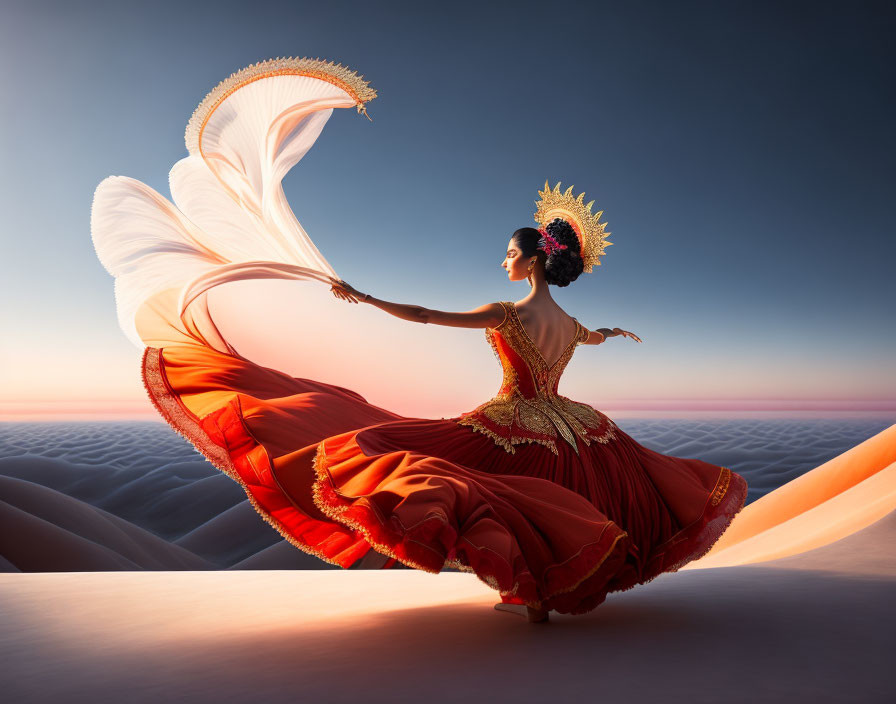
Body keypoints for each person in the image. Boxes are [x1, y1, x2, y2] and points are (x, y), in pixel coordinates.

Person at [91, 57, 748, 625]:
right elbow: (591, 338)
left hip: (513, 421)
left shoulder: (506, 312)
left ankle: (534, 596)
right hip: (577, 427)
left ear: (533, 262)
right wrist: (611, 332)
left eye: (511, 254)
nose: (505, 262)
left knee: (452, 481)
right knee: (569, 501)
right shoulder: (570, 326)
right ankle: (542, 595)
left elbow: (431, 317)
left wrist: (366, 298)